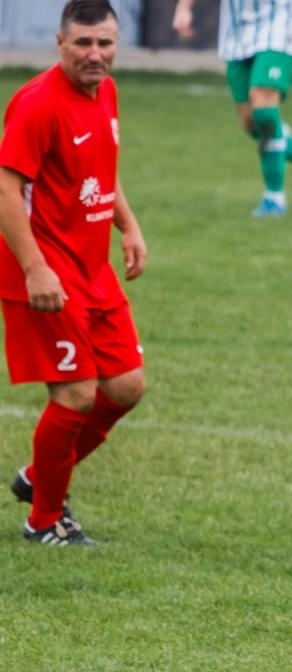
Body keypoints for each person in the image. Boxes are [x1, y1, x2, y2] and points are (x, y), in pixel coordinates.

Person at [1, 0, 148, 546]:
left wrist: (128, 226)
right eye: (83, 43)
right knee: (76, 396)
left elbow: (101, 171)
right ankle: (43, 520)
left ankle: (41, 477)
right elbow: (5, 190)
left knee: (127, 386)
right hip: (44, 273)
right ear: (60, 42)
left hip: (92, 268)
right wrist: (35, 269)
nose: (95, 54)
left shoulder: (105, 90)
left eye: (104, 43)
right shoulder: (37, 104)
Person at [172, 0, 292, 218]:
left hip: (281, 22)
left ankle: (274, 198)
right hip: (237, 29)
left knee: (264, 111)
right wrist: (184, 8)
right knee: (251, 123)